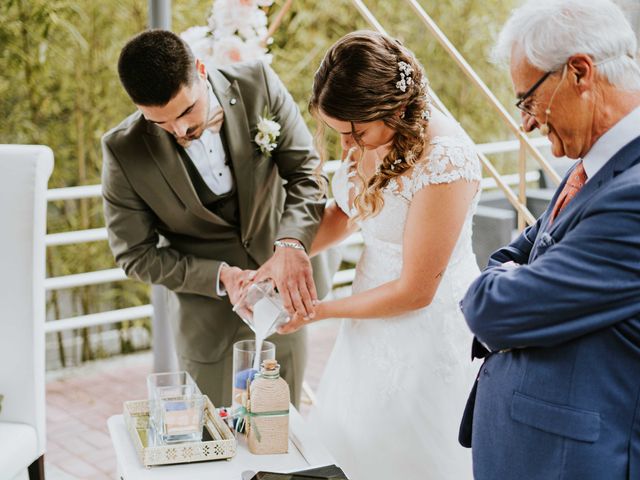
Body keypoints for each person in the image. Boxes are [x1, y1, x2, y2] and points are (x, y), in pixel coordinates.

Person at [278, 31, 481, 480]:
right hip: (367, 320)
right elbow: (349, 212)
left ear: (395, 108)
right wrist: (285, 256)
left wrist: (316, 310)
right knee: (352, 446)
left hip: (427, 331)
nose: (348, 147)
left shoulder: (446, 160)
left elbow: (414, 292)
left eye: (356, 133)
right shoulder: (368, 137)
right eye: (339, 134)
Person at [101, 29, 337, 407]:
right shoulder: (122, 150)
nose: (179, 130)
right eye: (159, 123)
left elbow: (306, 174)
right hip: (205, 323)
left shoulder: (257, 84)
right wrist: (220, 276)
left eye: (185, 111)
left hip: (283, 301)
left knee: (284, 434)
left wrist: (291, 244)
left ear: (200, 69)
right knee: (213, 443)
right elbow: (134, 255)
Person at [459, 1, 640, 478]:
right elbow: (515, 253)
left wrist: (498, 285)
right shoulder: (590, 164)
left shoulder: (634, 197)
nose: (527, 121)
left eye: (527, 99)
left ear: (579, 73)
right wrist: (514, 275)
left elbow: (495, 309)